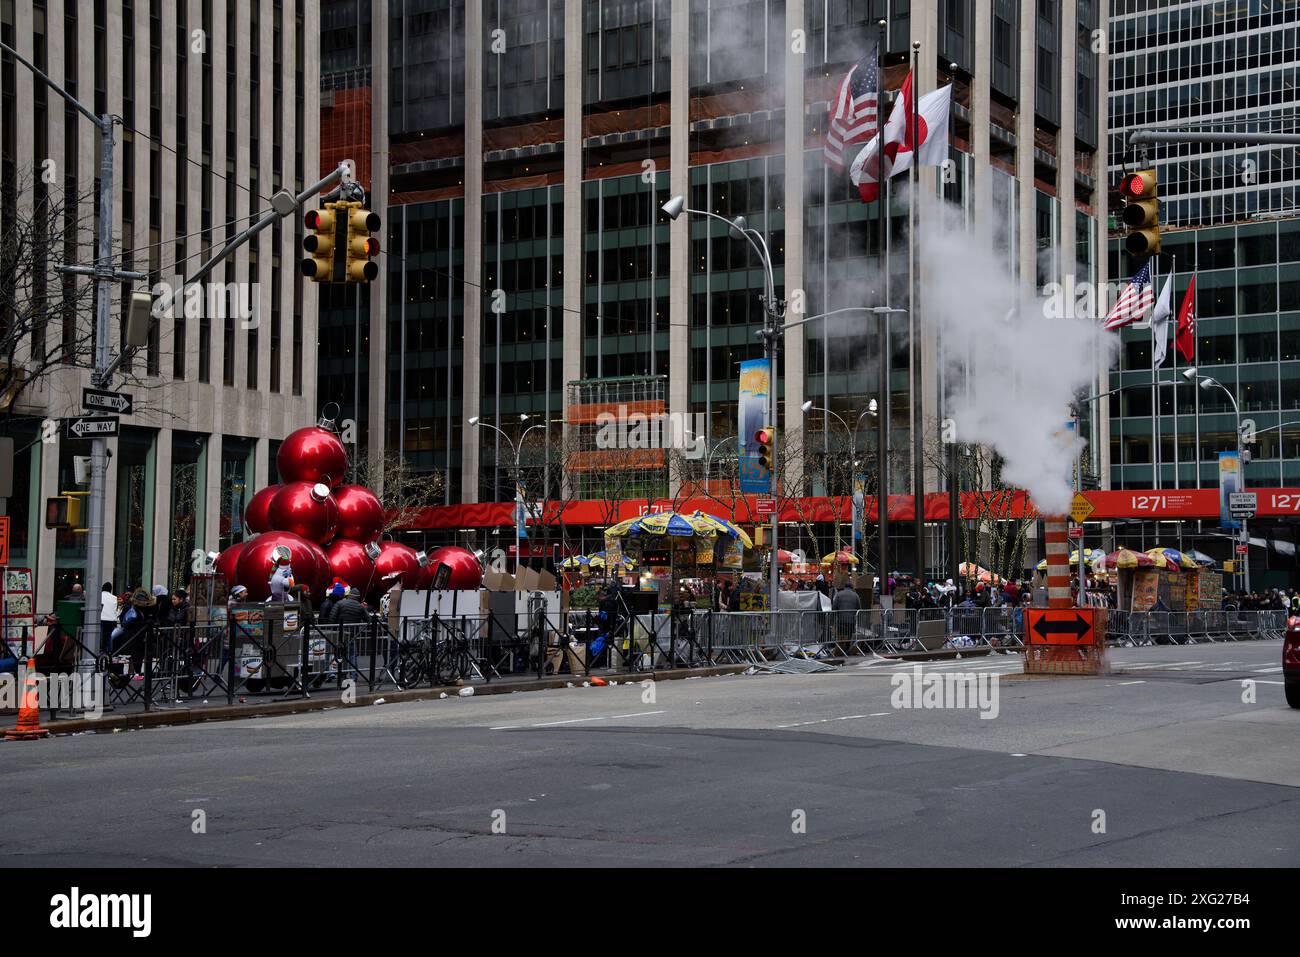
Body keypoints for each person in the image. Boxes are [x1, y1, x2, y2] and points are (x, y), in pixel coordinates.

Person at [100, 582, 119, 655]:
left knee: (101, 636)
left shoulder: (99, 596)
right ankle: (110, 652)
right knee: (108, 636)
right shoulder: (114, 598)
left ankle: (102, 651)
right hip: (111, 620)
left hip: (102, 619)